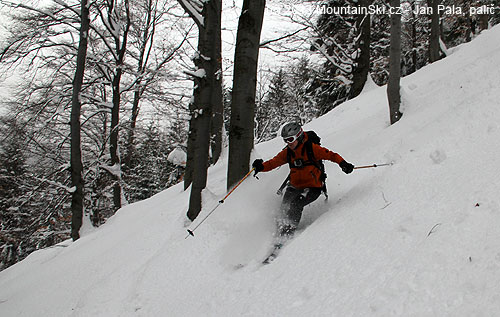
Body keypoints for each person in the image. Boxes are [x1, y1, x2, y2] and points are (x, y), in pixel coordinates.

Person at [252, 122, 354, 244]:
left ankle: (287, 234)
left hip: (313, 187)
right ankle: (277, 231)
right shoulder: (288, 152)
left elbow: (331, 155)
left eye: (290, 139)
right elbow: (273, 163)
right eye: (285, 141)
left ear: (299, 136)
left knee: (296, 204)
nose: (289, 143)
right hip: (294, 185)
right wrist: (260, 167)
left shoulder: (312, 148)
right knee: (284, 207)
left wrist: (343, 164)